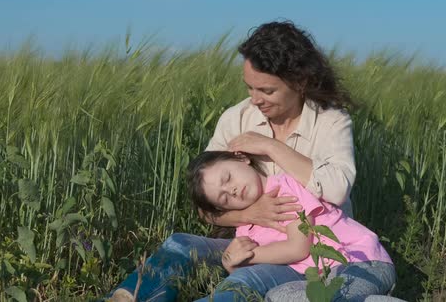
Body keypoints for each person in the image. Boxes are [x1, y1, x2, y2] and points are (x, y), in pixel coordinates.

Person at [107, 20, 358, 301]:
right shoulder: (237, 118)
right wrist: (252, 214)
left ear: (299, 82)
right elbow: (206, 206)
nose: (255, 100)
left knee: (244, 281)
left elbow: (336, 190)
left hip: (312, 255)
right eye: (250, 88)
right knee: (179, 245)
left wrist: (270, 146)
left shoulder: (331, 122)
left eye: (266, 90)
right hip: (249, 246)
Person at [186, 151, 395, 301]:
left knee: (335, 295)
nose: (231, 190)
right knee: (276, 296)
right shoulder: (246, 227)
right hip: (315, 277)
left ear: (242, 159)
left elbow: (298, 248)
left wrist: (249, 255)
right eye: (223, 198)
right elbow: (254, 277)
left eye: (228, 178)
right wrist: (232, 265)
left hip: (359, 261)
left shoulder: (284, 189)